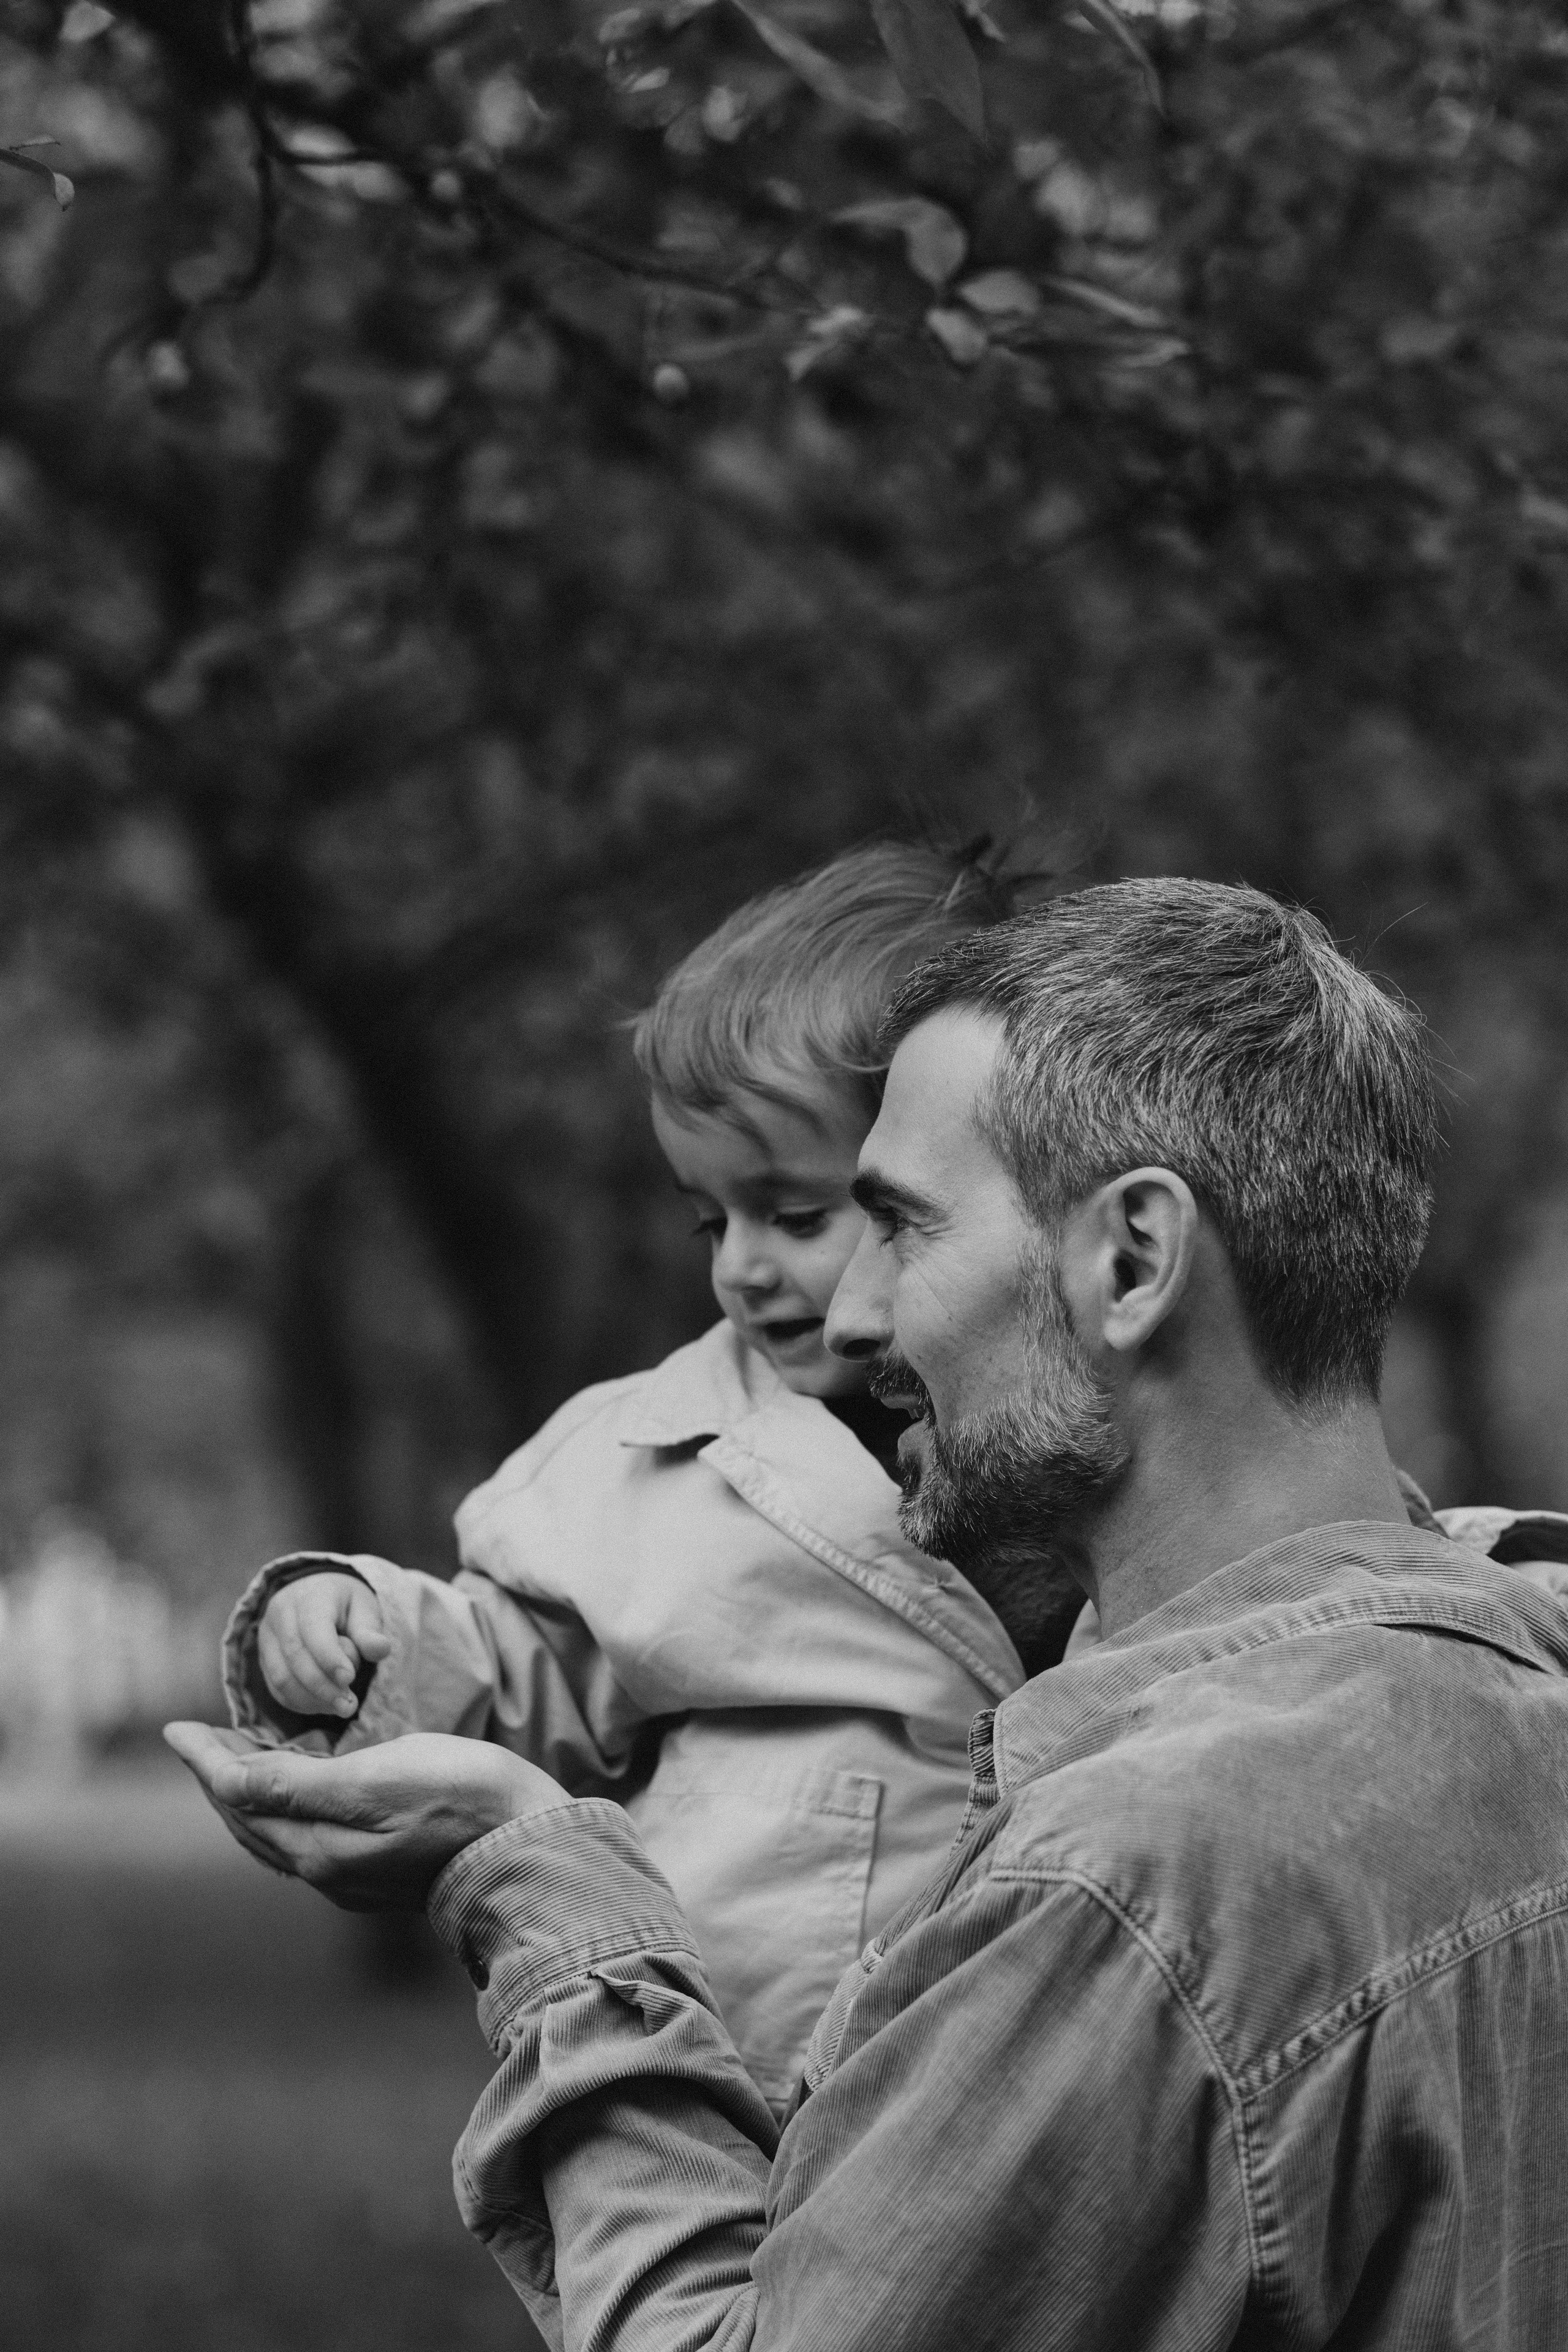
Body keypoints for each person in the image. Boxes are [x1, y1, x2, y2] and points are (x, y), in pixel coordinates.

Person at [173, 878, 1568, 2348]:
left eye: (895, 1225)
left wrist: (545, 1899)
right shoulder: (1518, 1704)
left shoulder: (1125, 1893)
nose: (840, 1320)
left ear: (1132, 1261)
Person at [217, 840, 1058, 2110]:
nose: (741, 1267)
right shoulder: (650, 1462)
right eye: (710, 1220)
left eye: (794, 1212)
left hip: (1054, 2076)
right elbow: (513, 1663)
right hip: (760, 2106)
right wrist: (353, 1639)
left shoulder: (1089, 1423)